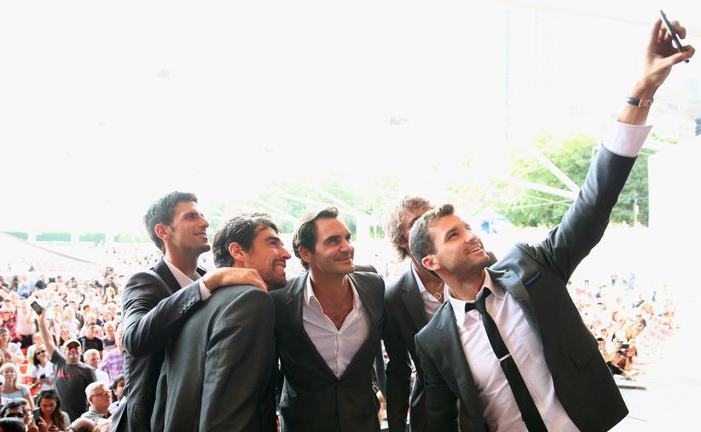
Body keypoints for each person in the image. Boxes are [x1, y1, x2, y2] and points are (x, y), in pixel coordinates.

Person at [410, 20, 694, 432]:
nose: (472, 235)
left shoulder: (532, 268)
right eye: (454, 235)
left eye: (468, 226)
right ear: (430, 261)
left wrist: (643, 90)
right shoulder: (432, 342)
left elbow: (593, 203)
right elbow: (436, 422)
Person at [111, 191, 265, 432]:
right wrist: (203, 286)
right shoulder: (145, 281)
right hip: (151, 423)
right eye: (191, 217)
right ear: (163, 231)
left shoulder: (212, 280)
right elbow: (134, 339)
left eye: (202, 215)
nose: (204, 222)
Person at [152, 213, 279, 432]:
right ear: (237, 251)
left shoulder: (195, 303)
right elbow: (230, 416)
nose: (286, 254)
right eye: (272, 243)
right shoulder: (251, 301)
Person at [270, 207, 385, 431]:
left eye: (347, 238)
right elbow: (269, 372)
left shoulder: (374, 286)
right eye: (333, 241)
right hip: (302, 424)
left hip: (363, 422)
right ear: (306, 253)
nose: (347, 247)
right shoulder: (280, 302)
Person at [382, 196, 440, 432]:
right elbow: (398, 370)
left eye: (433, 218)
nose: (430, 226)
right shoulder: (393, 297)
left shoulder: (471, 270)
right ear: (401, 240)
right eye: (417, 222)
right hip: (432, 412)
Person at [37, 313, 96, 422]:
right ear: (64, 351)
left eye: (76, 347)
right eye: (69, 347)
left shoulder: (88, 371)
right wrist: (41, 321)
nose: (73, 349)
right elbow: (48, 341)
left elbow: (93, 397)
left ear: (81, 351)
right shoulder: (59, 362)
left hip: (81, 417)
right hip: (60, 417)